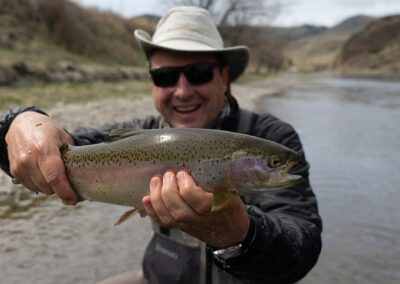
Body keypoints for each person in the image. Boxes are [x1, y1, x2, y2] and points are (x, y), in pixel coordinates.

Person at [0, 6, 322, 284]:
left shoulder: (271, 137)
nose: (182, 91)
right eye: (166, 76)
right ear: (152, 82)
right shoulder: (139, 133)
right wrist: (17, 121)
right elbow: (44, 153)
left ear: (224, 77)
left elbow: (302, 248)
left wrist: (240, 233)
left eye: (198, 73)